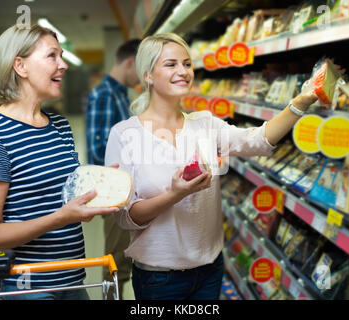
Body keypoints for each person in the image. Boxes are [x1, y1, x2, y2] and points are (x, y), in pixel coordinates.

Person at [104, 33, 320, 300]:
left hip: (209, 270)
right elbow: (125, 217)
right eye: (171, 65)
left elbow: (257, 141)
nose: (183, 71)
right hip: (159, 277)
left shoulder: (205, 124)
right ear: (147, 75)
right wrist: (175, 194)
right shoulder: (124, 134)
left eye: (186, 64)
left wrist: (300, 103)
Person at [0, 24, 119, 300]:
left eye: (62, 56)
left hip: (71, 277)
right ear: (20, 66)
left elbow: (58, 193)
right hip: (25, 287)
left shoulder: (59, 125)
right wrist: (61, 218)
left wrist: (100, 186)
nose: (63, 65)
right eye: (52, 56)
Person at [86, 38, 140, 299]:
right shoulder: (106, 94)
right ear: (130, 62)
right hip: (115, 192)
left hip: (126, 191)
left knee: (124, 260)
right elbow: (100, 152)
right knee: (117, 264)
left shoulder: (120, 93)